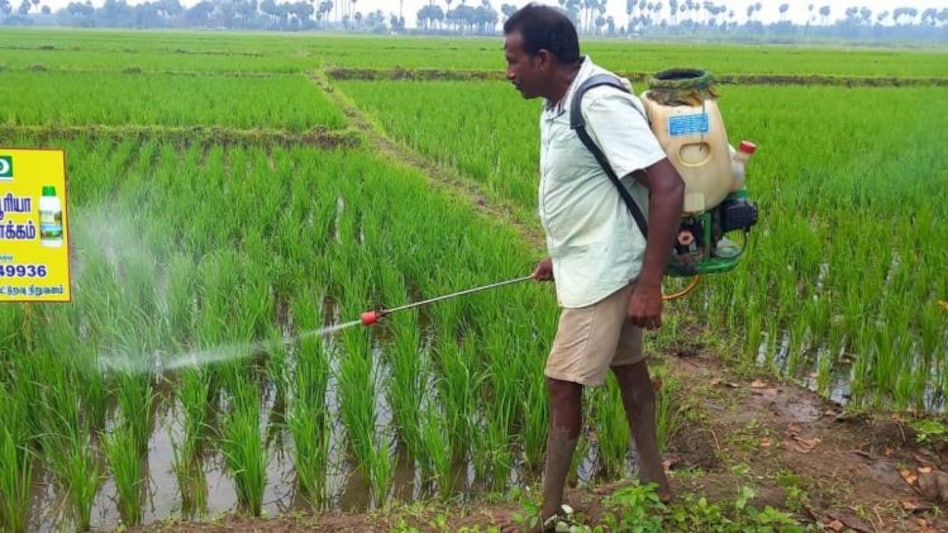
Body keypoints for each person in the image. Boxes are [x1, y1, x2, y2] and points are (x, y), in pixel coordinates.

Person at [499, 3, 685, 531]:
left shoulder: (598, 102)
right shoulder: (560, 103)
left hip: (610, 275)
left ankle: (548, 511)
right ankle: (657, 486)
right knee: (629, 371)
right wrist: (560, 257)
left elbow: (668, 186)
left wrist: (649, 284)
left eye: (513, 60)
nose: (508, 72)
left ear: (543, 57)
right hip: (592, 264)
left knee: (561, 382)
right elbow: (595, 190)